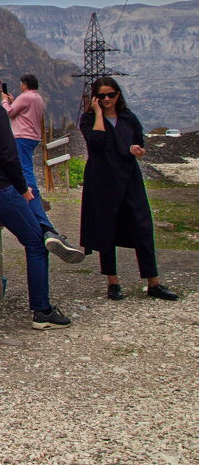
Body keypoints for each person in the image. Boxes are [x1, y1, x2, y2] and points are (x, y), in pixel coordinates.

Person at [0, 64, 82, 331]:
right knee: (34, 244)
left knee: (33, 225)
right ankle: (42, 311)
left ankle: (48, 231)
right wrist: (23, 189)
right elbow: (9, 156)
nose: (0, 89)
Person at [79, 77, 178, 301]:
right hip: (102, 180)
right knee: (106, 229)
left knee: (142, 226)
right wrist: (97, 114)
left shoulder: (128, 117)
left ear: (118, 95)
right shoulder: (88, 119)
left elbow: (139, 142)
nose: (106, 100)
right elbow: (95, 142)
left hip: (128, 177)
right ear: (95, 97)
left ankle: (154, 282)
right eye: (101, 96)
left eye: (110, 95)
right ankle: (112, 282)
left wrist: (137, 150)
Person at [1, 74, 77, 257]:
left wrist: (4, 101)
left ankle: (31, 196)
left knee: (25, 173)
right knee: (25, 169)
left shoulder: (26, 96)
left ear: (24, 84)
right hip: (33, 137)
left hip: (21, 137)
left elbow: (9, 113)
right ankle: (39, 215)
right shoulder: (37, 98)